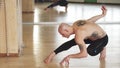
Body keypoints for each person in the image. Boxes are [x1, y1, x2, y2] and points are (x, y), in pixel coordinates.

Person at [44, 6, 108, 65]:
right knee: (71, 42)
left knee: (90, 51)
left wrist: (69, 56)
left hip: (103, 39)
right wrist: (102, 15)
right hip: (92, 37)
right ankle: (51, 55)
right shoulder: (76, 23)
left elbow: (84, 54)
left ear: (66, 30)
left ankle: (102, 47)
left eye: (63, 34)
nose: (62, 36)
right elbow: (90, 21)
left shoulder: (79, 34)